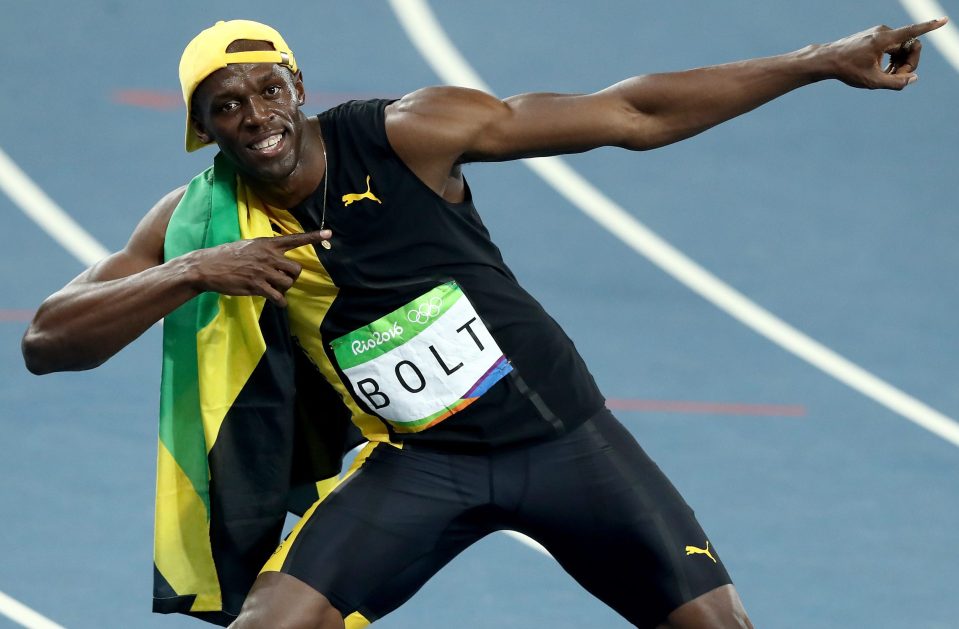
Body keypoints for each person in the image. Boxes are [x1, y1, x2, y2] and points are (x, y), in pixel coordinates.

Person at [21, 15, 945, 629]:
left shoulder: (408, 132)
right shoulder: (195, 222)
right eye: (226, 106)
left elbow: (630, 113)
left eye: (267, 90)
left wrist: (816, 62)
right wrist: (192, 271)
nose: (255, 116)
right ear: (201, 127)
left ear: (297, 85)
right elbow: (48, 340)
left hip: (565, 442)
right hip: (418, 463)